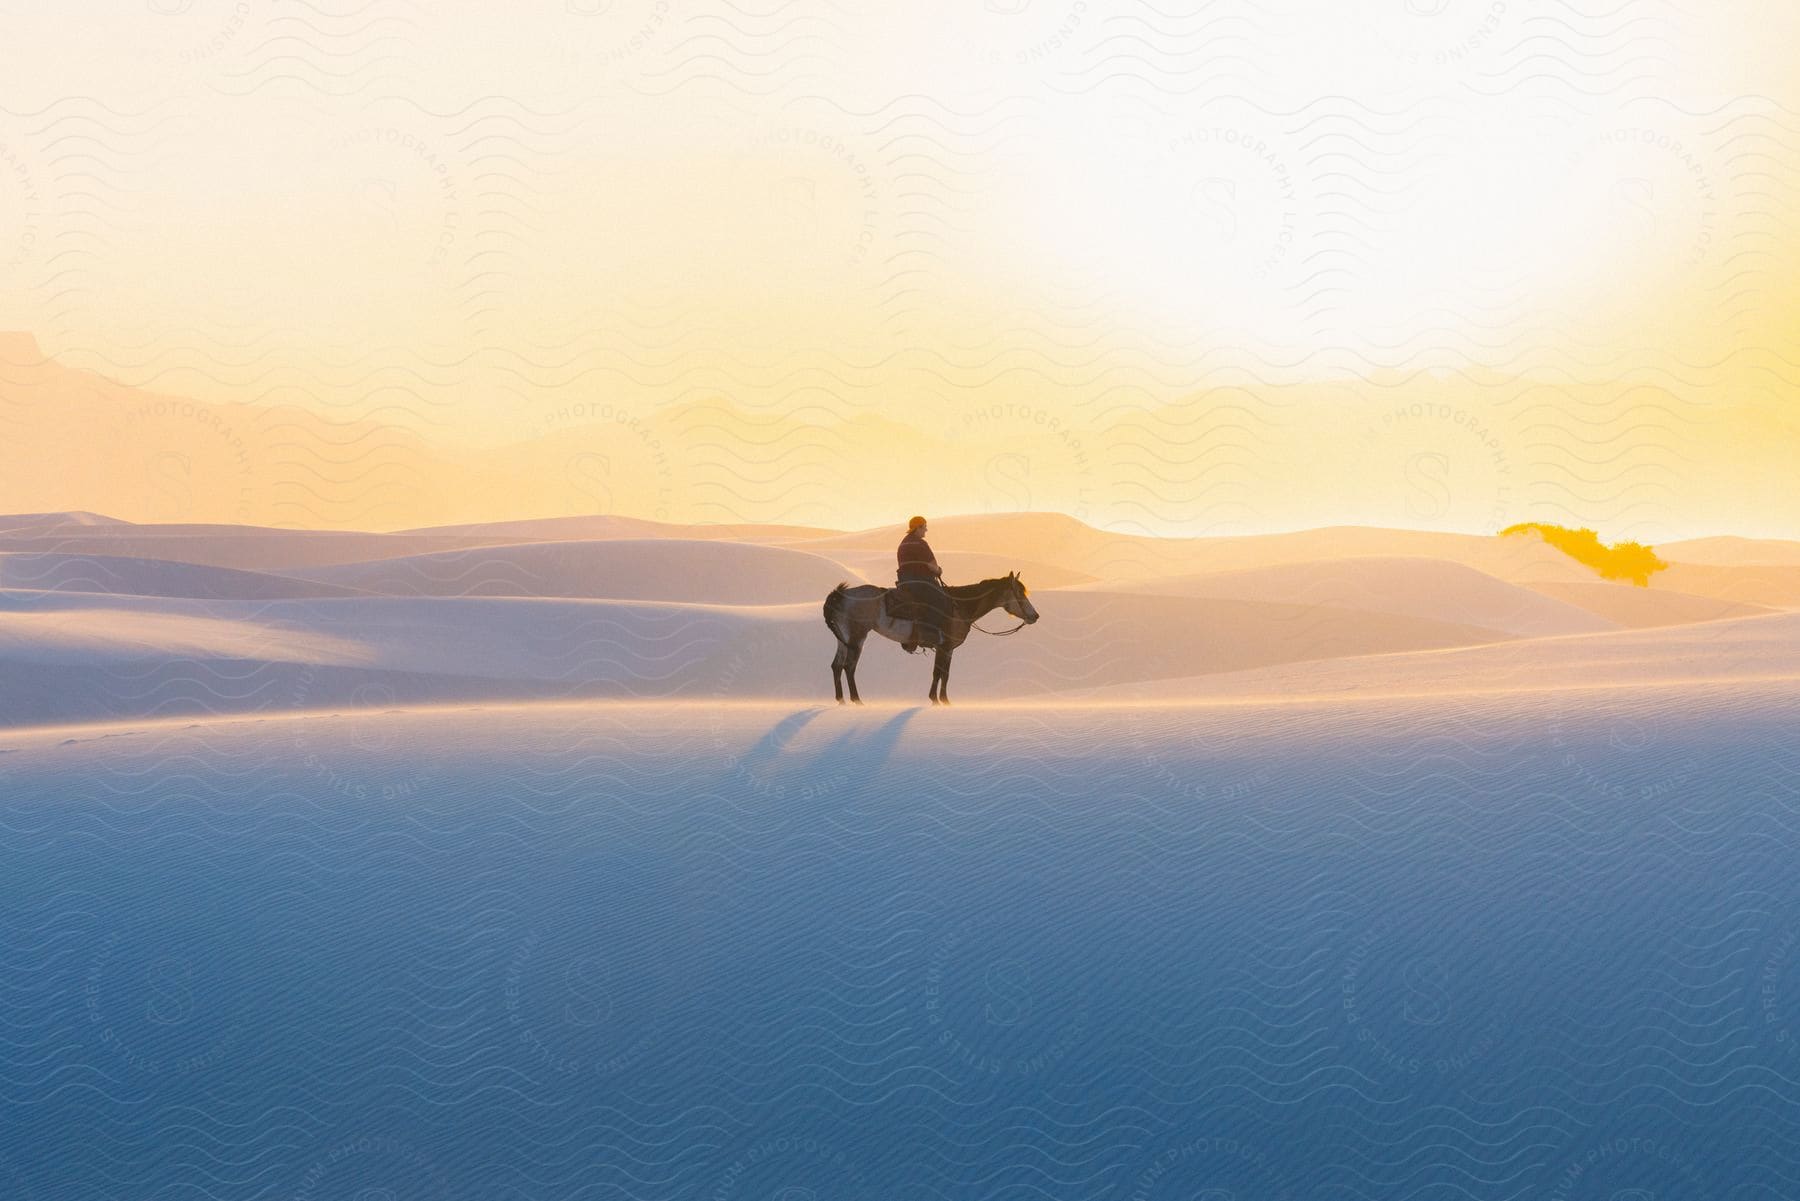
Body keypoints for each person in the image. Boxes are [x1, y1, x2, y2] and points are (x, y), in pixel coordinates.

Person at [895, 515, 948, 654]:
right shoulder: (920, 544)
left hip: (904, 582)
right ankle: (929, 635)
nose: (926, 530)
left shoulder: (903, 543)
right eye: (924, 527)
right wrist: (939, 571)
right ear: (918, 528)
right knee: (942, 600)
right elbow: (932, 566)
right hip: (920, 581)